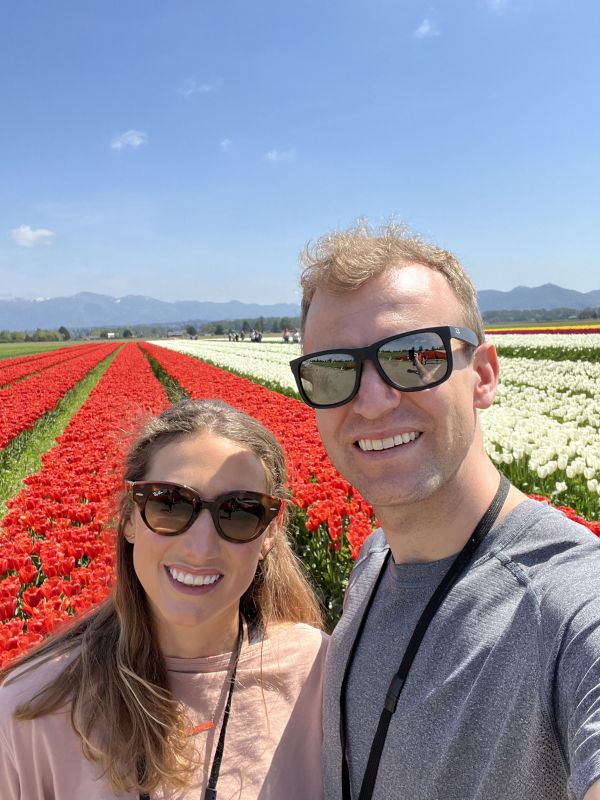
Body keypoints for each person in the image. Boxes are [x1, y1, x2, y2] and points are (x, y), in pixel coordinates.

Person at [290, 220, 600, 800]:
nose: (374, 402)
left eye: (413, 358)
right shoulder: (373, 563)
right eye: (334, 370)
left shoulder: (565, 601)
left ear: (483, 375)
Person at [0, 399, 327, 799]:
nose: (201, 547)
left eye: (240, 512)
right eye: (169, 503)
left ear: (270, 533)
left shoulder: (319, 677)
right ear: (129, 517)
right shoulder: (33, 710)